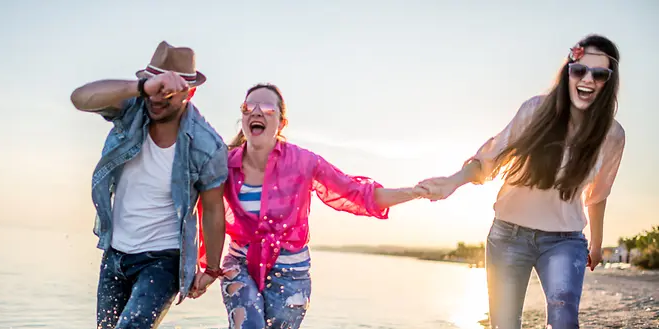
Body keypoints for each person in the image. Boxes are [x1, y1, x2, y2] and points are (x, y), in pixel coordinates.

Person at [417, 34, 626, 329]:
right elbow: (489, 158)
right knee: (504, 324)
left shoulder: (613, 135)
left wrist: (597, 243)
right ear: (568, 72)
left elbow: (599, 193)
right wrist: (453, 181)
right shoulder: (534, 111)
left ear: (609, 81)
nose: (587, 79)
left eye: (599, 74)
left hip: (565, 241)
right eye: (579, 70)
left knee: (564, 317)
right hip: (508, 236)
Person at [194, 83, 428, 329]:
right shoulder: (224, 165)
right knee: (249, 325)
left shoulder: (304, 163)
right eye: (248, 107)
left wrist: (413, 192)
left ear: (282, 123)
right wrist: (205, 268)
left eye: (267, 108)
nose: (256, 112)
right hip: (240, 264)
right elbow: (206, 213)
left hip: (291, 272)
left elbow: (358, 194)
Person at [69, 41, 229, 329]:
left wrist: (212, 268)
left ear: (189, 93)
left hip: (163, 260)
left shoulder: (207, 145)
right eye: (154, 87)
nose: (157, 97)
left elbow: (213, 209)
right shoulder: (132, 110)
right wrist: (141, 87)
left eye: (167, 92)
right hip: (115, 255)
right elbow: (79, 98)